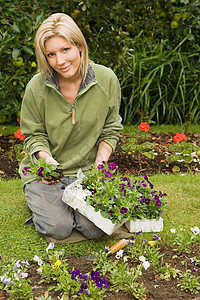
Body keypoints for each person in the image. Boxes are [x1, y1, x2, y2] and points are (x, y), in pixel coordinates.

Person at [19, 13, 123, 240]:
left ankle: (63, 206)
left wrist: (100, 166)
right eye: (51, 54)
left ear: (79, 46)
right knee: (58, 228)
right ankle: (40, 197)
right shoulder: (37, 87)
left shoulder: (106, 80)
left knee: (96, 229)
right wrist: (47, 162)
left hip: (86, 172)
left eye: (65, 50)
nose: (60, 61)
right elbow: (33, 135)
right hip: (47, 174)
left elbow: (111, 128)